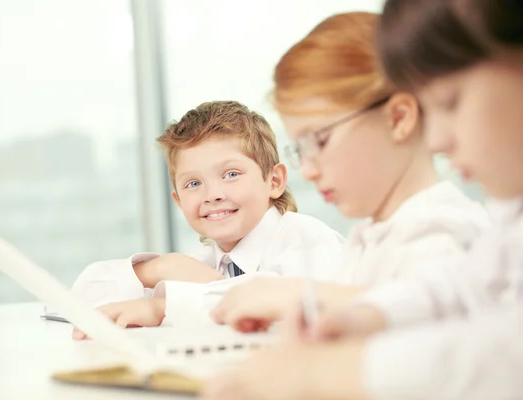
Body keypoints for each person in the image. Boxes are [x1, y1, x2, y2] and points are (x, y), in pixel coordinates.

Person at [201, 1, 523, 399]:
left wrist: (323, 370)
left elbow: (499, 351)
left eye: (450, 101)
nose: (438, 138)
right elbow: (468, 288)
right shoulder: (507, 223)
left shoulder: (445, 227)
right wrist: (366, 316)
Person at [211, 11, 487, 332]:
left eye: (320, 140)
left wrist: (302, 296)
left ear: (398, 118)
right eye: (301, 149)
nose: (309, 171)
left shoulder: (446, 231)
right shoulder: (369, 237)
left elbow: (432, 313)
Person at [70, 100, 344, 338]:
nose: (212, 195)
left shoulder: (306, 237)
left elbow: (283, 296)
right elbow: (81, 300)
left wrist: (161, 306)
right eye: (193, 184)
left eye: (231, 174)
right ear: (178, 201)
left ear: (274, 180)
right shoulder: (200, 262)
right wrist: (157, 269)